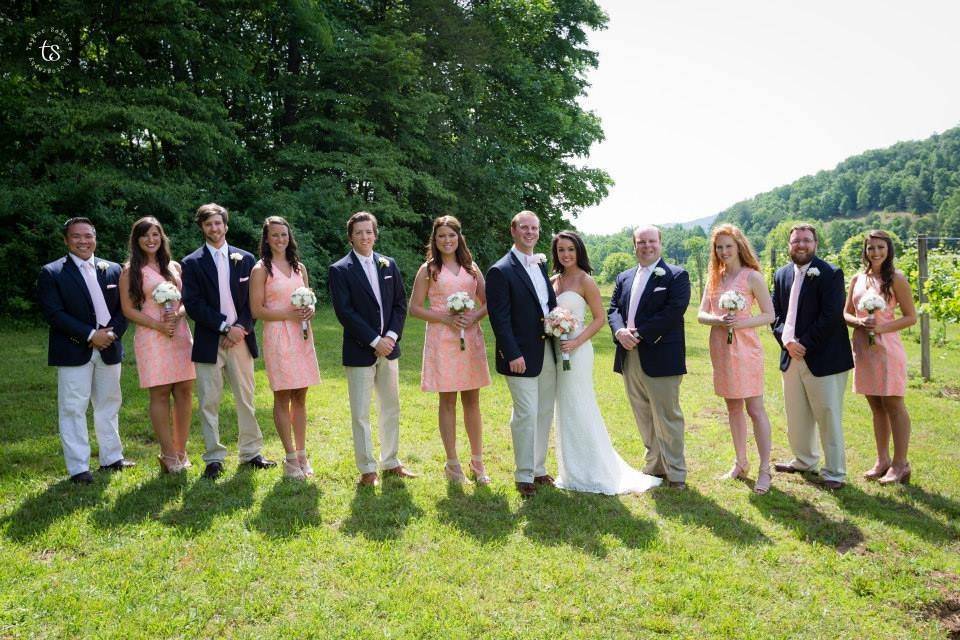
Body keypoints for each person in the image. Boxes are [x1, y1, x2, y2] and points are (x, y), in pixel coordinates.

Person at [551, 231, 662, 494]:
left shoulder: (585, 280)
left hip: (577, 351)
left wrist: (576, 342)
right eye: (561, 250)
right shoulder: (553, 281)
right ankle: (571, 470)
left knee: (580, 404)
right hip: (556, 350)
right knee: (563, 407)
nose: (566, 255)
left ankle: (594, 470)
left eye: (570, 249)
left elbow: (600, 318)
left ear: (579, 251)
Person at [181, 203, 275, 480]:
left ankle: (251, 452)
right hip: (210, 340)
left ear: (226, 225)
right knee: (209, 400)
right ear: (202, 228)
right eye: (209, 224)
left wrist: (241, 328)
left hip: (241, 339)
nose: (215, 228)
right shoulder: (192, 262)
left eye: (218, 223)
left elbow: (254, 301)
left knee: (245, 398)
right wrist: (224, 327)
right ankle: (213, 457)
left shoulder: (246, 259)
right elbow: (193, 303)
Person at [37, 217, 134, 484]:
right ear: (67, 240)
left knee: (109, 404)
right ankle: (79, 468)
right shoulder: (52, 272)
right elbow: (54, 313)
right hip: (73, 349)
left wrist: (110, 335)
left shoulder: (113, 269)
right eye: (77, 236)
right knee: (73, 408)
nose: (83, 241)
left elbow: (124, 309)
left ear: (95, 238)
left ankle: (112, 458)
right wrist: (91, 335)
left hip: (109, 348)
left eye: (88, 236)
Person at [328, 211, 416, 487]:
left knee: (391, 407)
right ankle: (367, 468)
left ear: (375, 234)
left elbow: (400, 304)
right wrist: (373, 340)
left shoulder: (388, 264)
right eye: (359, 232)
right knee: (361, 412)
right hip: (359, 350)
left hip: (389, 348)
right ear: (351, 237)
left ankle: (391, 462)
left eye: (369, 231)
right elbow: (345, 312)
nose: (365, 236)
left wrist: (389, 337)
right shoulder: (340, 269)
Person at [409, 216, 492, 485]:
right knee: (447, 401)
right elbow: (414, 308)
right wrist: (445, 318)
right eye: (442, 236)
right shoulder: (428, 270)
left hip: (470, 339)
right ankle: (452, 463)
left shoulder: (471, 268)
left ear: (459, 238)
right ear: (435, 239)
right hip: (442, 339)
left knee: (472, 401)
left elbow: (488, 302)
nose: (447, 240)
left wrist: (474, 317)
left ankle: (477, 462)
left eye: (452, 236)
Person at [607, 224, 690, 489]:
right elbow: (613, 309)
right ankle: (655, 467)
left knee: (667, 416)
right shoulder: (624, 277)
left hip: (660, 355)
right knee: (643, 415)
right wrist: (620, 331)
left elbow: (673, 311)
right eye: (641, 242)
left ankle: (676, 473)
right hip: (629, 355)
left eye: (651, 241)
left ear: (660, 243)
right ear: (635, 245)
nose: (646, 246)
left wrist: (639, 334)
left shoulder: (676, 276)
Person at [771, 223, 853, 490]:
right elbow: (775, 315)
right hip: (790, 356)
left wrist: (803, 344)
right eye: (796, 241)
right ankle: (804, 460)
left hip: (824, 358)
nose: (801, 245)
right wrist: (787, 341)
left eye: (806, 240)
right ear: (789, 245)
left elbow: (830, 316)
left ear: (815, 244)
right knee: (796, 414)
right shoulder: (782, 274)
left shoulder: (830, 273)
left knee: (828, 415)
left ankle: (835, 472)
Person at [696, 224, 775, 494]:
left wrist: (740, 324)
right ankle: (741, 462)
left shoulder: (752, 277)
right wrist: (719, 320)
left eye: (728, 246)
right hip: (721, 347)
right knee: (732, 408)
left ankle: (765, 469)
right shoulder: (714, 278)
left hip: (747, 349)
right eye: (719, 247)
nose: (724, 251)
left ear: (739, 246)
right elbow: (701, 314)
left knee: (755, 409)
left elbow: (769, 315)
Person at [486, 210, 557, 498]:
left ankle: (538, 469)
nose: (530, 232)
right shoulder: (500, 271)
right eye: (524, 228)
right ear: (513, 230)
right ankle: (523, 474)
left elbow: (546, 305)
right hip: (519, 357)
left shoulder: (540, 264)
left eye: (535, 228)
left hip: (547, 351)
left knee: (543, 413)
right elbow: (499, 319)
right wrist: (512, 353)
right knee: (526, 414)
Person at [119, 217, 196, 474]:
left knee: (185, 391)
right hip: (152, 336)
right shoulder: (130, 271)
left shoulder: (173, 267)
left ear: (162, 237)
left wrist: (179, 314)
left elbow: (186, 301)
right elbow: (128, 309)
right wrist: (158, 325)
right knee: (161, 392)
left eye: (155, 234)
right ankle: (168, 453)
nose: (151, 240)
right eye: (145, 235)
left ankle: (181, 449)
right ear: (137, 240)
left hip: (180, 335)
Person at [843, 230, 916, 485]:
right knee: (876, 406)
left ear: (889, 249)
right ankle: (882, 460)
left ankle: (901, 463)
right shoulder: (857, 279)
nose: (875, 252)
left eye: (880, 247)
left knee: (894, 405)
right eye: (870, 248)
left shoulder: (896, 279)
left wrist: (882, 328)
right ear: (865, 251)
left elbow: (911, 316)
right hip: (864, 348)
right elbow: (846, 314)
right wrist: (860, 322)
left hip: (887, 349)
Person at [250, 216, 321, 481]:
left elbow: (308, 298)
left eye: (284, 235)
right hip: (279, 335)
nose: (280, 239)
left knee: (300, 395)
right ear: (267, 239)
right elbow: (257, 309)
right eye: (275, 235)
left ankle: (302, 453)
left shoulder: (299, 267)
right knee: (283, 395)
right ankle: (290, 457)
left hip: (302, 336)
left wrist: (310, 309)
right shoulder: (261, 270)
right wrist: (289, 314)